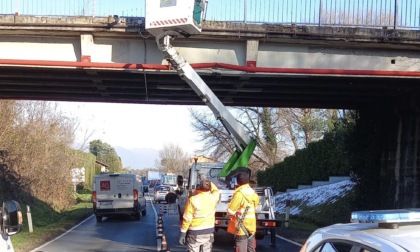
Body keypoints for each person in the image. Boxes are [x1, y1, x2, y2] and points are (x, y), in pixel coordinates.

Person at [179, 178, 220, 252]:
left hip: (195, 232)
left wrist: (183, 233)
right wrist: (209, 182)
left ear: (199, 187)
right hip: (209, 231)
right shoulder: (214, 198)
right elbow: (216, 190)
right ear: (210, 187)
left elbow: (187, 218)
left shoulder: (193, 200)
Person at [227, 168, 259, 252]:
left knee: (241, 248)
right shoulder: (253, 193)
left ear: (238, 182)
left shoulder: (239, 194)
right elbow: (255, 207)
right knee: (251, 249)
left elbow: (230, 211)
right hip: (251, 227)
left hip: (241, 228)